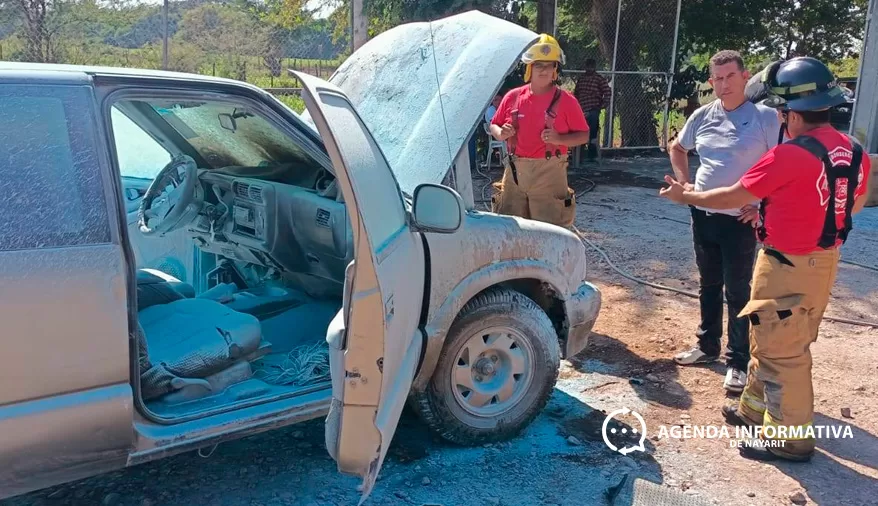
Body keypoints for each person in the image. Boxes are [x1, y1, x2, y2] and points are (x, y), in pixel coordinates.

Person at [659, 56, 872, 462]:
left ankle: (790, 441)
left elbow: (731, 196)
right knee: (772, 336)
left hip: (786, 263)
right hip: (823, 263)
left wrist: (684, 195)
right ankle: (753, 409)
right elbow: (853, 203)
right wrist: (781, 210)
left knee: (784, 353)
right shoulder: (854, 150)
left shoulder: (788, 155)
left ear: (789, 113)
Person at [668, 50, 781, 394]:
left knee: (738, 290)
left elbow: (783, 165)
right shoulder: (703, 116)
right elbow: (677, 148)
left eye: (730, 76)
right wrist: (685, 184)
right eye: (717, 78)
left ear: (745, 76)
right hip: (703, 214)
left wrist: (763, 207)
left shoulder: (766, 118)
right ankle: (707, 346)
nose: (723, 84)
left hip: (740, 220)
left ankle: (737, 360)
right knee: (708, 283)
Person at [490, 34, 590, 228]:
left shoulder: (567, 101)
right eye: (538, 65)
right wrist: (500, 133)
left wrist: (559, 139)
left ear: (555, 69)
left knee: (551, 232)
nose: (544, 70)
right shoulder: (513, 97)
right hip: (515, 172)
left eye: (549, 65)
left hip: (550, 173)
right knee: (512, 229)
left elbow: (583, 135)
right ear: (530, 68)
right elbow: (494, 125)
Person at [573, 58, 611, 160]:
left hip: (593, 107)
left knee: (592, 127)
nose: (589, 69)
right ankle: (578, 154)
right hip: (581, 108)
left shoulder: (599, 79)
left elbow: (607, 92)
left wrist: (602, 105)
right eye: (587, 66)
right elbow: (576, 93)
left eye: (591, 66)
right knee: (578, 128)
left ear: (594, 67)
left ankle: (592, 152)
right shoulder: (582, 79)